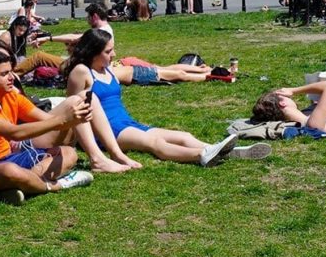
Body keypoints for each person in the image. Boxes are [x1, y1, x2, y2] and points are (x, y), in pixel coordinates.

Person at [63, 29, 268, 166]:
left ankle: (223, 150)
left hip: (126, 122)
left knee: (183, 135)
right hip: (107, 131)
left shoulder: (109, 71)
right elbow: (73, 112)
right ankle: (201, 156)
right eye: (109, 51)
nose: (114, 54)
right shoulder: (81, 71)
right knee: (154, 142)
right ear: (94, 52)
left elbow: (159, 70)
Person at [0, 49, 96, 203]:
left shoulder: (11, 96)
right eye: (4, 74)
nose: (12, 77)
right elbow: (15, 133)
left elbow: (48, 120)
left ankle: (22, 185)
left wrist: (75, 119)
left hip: (7, 157)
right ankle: (55, 185)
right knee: (9, 171)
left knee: (68, 153)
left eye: (11, 71)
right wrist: (62, 120)